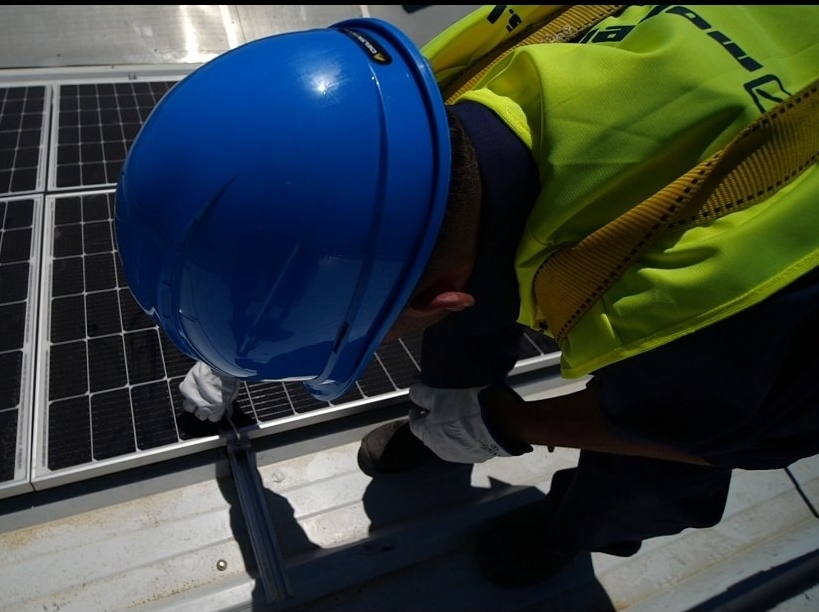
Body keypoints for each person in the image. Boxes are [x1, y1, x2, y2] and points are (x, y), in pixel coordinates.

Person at [114, 5, 819, 588]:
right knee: (470, 246)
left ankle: (567, 529)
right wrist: (239, 336)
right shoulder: (422, 88)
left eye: (377, 336)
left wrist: (512, 424)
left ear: (440, 301)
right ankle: (448, 413)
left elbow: (724, 435)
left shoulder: (715, 285)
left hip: (776, 296)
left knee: (647, 470)